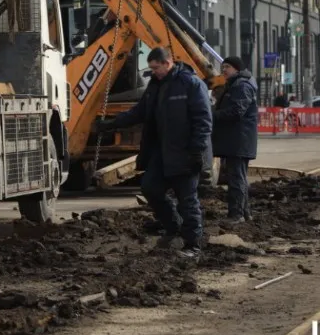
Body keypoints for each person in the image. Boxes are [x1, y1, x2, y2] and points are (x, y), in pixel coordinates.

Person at [97, 47, 212, 257]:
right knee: (150, 188)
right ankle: (173, 226)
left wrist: (197, 151)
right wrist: (111, 124)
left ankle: (192, 245)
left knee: (187, 200)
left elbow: (203, 121)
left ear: (168, 62)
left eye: (156, 68)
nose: (154, 72)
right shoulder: (155, 87)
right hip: (162, 152)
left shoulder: (191, 84)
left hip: (185, 152)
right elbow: (139, 112)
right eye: (151, 69)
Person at [212, 56, 258, 223]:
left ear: (237, 69)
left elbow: (236, 111)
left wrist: (212, 115)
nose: (224, 70)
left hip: (239, 140)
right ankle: (245, 213)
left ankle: (236, 215)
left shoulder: (241, 86)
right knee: (238, 176)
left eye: (228, 67)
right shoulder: (236, 85)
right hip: (237, 139)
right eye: (223, 66)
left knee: (236, 177)